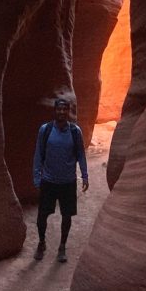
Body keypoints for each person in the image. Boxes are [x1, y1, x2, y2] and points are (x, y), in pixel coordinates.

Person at [32, 97, 89, 262]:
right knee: (42, 215)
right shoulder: (46, 130)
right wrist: (37, 177)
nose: (62, 112)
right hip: (49, 180)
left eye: (65, 109)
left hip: (68, 182)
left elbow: (81, 155)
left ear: (68, 111)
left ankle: (62, 246)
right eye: (59, 109)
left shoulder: (75, 131)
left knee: (67, 215)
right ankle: (42, 242)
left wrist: (84, 175)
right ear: (55, 111)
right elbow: (38, 154)